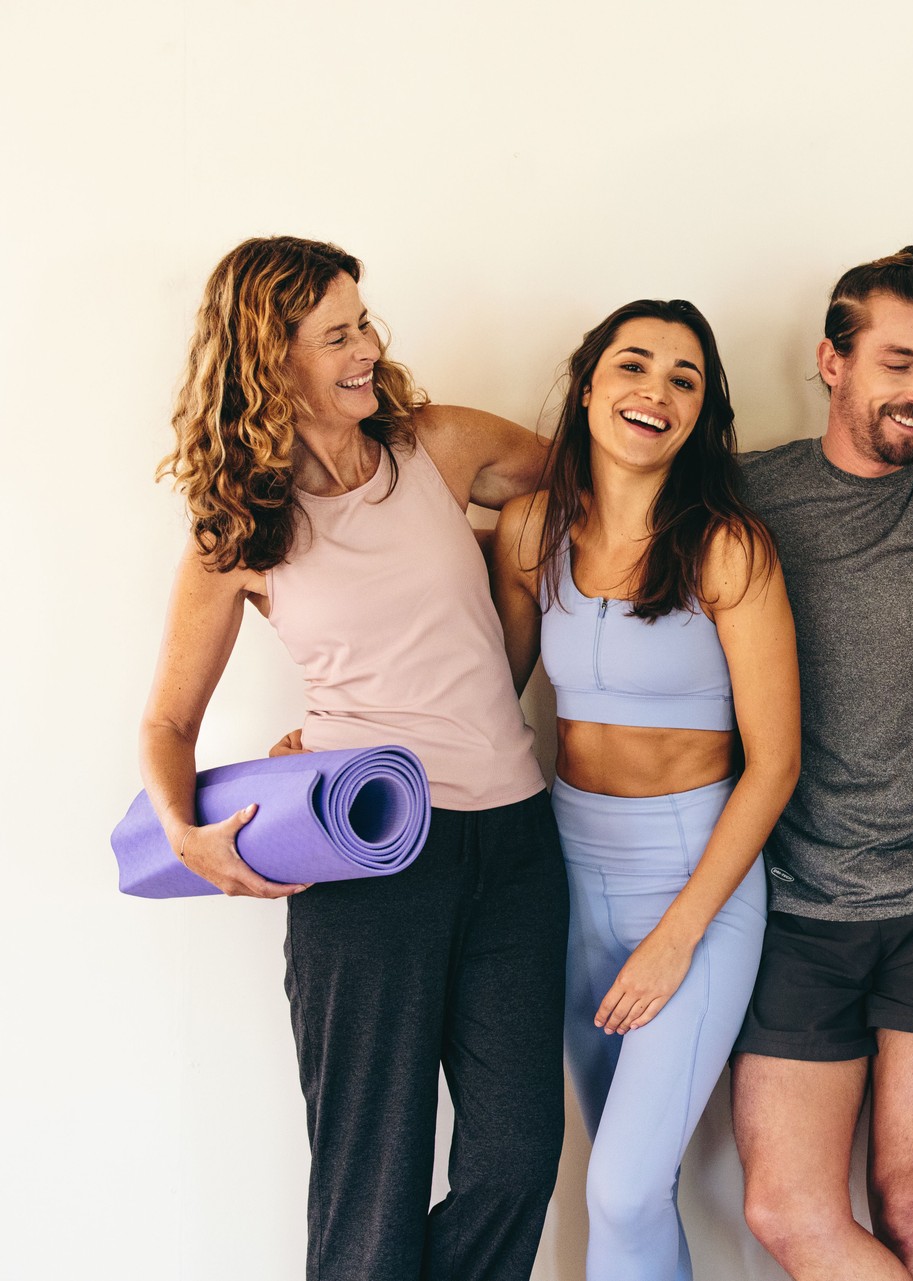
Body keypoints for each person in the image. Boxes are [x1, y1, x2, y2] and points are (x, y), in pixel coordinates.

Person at [138, 236, 563, 1281]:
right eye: (338, 334)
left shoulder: (442, 447)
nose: (370, 347)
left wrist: (525, 568)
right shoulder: (242, 531)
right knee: (368, 1187)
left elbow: (605, 486)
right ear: (269, 359)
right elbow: (165, 725)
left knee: (516, 1162)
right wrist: (184, 832)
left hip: (514, 845)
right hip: (368, 859)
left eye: (364, 322)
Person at [490, 300, 800, 1280]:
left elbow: (777, 762)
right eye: (633, 366)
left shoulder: (727, 548)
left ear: (702, 415)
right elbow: (484, 704)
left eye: (684, 379)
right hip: (569, 876)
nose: (654, 392)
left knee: (621, 1190)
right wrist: (331, 738)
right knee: (626, 1190)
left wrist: (676, 939)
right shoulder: (531, 531)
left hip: (695, 882)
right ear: (588, 386)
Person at [728, 249, 913, 1281]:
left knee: (912, 1205)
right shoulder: (749, 494)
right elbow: (596, 501)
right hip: (799, 903)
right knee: (783, 1208)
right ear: (831, 362)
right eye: (899, 362)